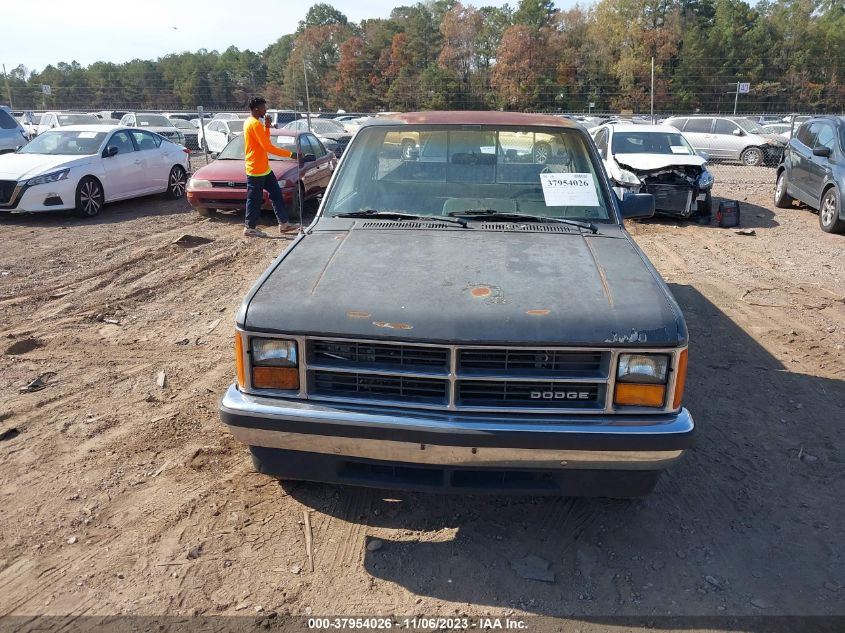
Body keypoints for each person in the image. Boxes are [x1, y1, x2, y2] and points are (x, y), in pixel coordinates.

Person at [242, 96, 298, 237]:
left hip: (264, 169)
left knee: (276, 194)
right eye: (263, 107)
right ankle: (249, 228)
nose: (265, 110)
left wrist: (267, 127)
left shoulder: (253, 122)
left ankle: (284, 224)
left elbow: (264, 141)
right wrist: (291, 154)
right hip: (255, 170)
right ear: (256, 109)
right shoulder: (253, 124)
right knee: (254, 199)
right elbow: (268, 147)